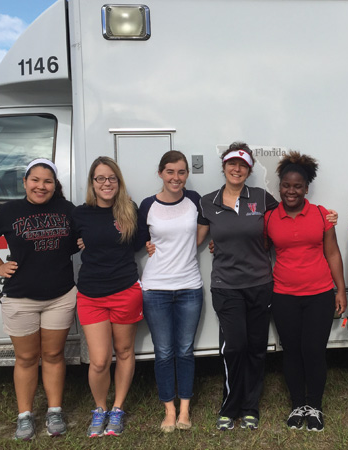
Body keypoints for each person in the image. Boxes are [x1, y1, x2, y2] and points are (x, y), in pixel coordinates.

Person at [199, 141, 337, 431]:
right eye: (231, 163)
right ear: (223, 167)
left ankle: (281, 407)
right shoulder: (216, 203)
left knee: (279, 350)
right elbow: (208, 238)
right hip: (252, 290)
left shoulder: (269, 201)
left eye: (243, 165)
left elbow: (322, 245)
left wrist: (342, 290)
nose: (236, 169)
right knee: (243, 348)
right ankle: (248, 405)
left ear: (249, 170)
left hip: (283, 288)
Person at [0, 159, 77, 440]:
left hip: (61, 296)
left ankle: (54, 410)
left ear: (55, 185)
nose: (41, 186)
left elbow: (85, 237)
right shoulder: (8, 211)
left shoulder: (67, 210)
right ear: (25, 182)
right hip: (20, 298)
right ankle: (25, 416)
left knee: (54, 355)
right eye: (36, 180)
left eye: (48, 181)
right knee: (27, 357)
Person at [264, 152, 347, 432]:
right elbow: (257, 249)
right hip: (284, 295)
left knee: (313, 351)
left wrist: (341, 290)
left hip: (320, 294)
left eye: (297, 186)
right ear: (280, 187)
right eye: (286, 185)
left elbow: (333, 253)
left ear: (306, 188)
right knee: (292, 352)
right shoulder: (269, 218)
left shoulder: (322, 214)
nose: (291, 191)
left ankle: (315, 406)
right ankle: (297, 404)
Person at [73, 156, 146, 438]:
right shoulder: (80, 214)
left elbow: (139, 242)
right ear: (92, 183)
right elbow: (70, 242)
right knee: (100, 360)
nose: (106, 183)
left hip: (125, 290)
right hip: (90, 295)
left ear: (119, 181)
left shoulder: (129, 210)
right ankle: (100, 409)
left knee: (125, 352)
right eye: (100, 178)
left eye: (111, 178)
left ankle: (117, 409)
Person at [138, 151, 208, 432]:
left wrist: (194, 247)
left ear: (187, 174)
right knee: (164, 352)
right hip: (156, 289)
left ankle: (185, 411)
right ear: (160, 173)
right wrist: (147, 245)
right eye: (170, 172)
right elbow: (138, 237)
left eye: (181, 172)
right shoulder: (147, 205)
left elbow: (203, 230)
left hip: (190, 287)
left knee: (185, 350)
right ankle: (169, 410)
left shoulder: (194, 200)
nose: (175, 178)